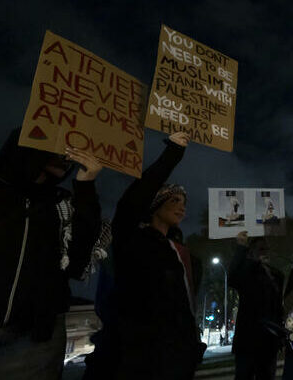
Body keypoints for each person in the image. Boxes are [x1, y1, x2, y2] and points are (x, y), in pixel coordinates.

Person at [86, 132, 205, 379]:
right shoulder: (132, 239)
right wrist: (172, 153)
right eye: (174, 199)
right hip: (136, 357)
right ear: (154, 205)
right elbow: (135, 197)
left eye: (184, 201)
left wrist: (192, 347)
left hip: (176, 358)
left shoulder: (179, 252)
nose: (182, 206)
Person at [0, 128, 105, 379]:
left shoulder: (61, 205)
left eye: (69, 151)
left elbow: (77, 263)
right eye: (56, 146)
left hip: (32, 340)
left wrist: (86, 188)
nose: (66, 155)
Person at [229, 231, 285, 380]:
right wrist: (241, 247)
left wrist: (280, 335)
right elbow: (233, 278)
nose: (264, 252)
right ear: (251, 253)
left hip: (269, 342)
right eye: (260, 249)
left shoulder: (277, 276)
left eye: (266, 249)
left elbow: (278, 307)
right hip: (247, 341)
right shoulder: (247, 273)